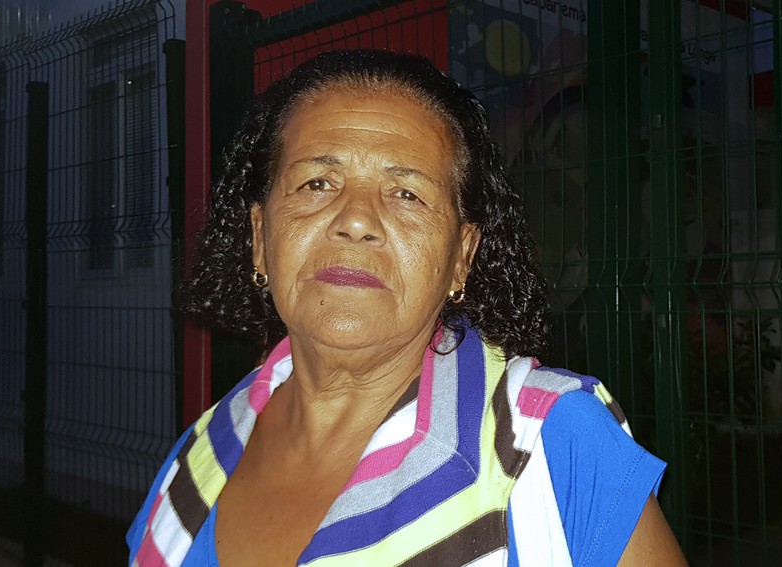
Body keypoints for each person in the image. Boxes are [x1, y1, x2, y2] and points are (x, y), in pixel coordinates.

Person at [128, 49, 686, 567]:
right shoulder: (194, 461)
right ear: (259, 236)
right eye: (317, 182)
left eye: (407, 194)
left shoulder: (551, 445)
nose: (355, 219)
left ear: (461, 258)